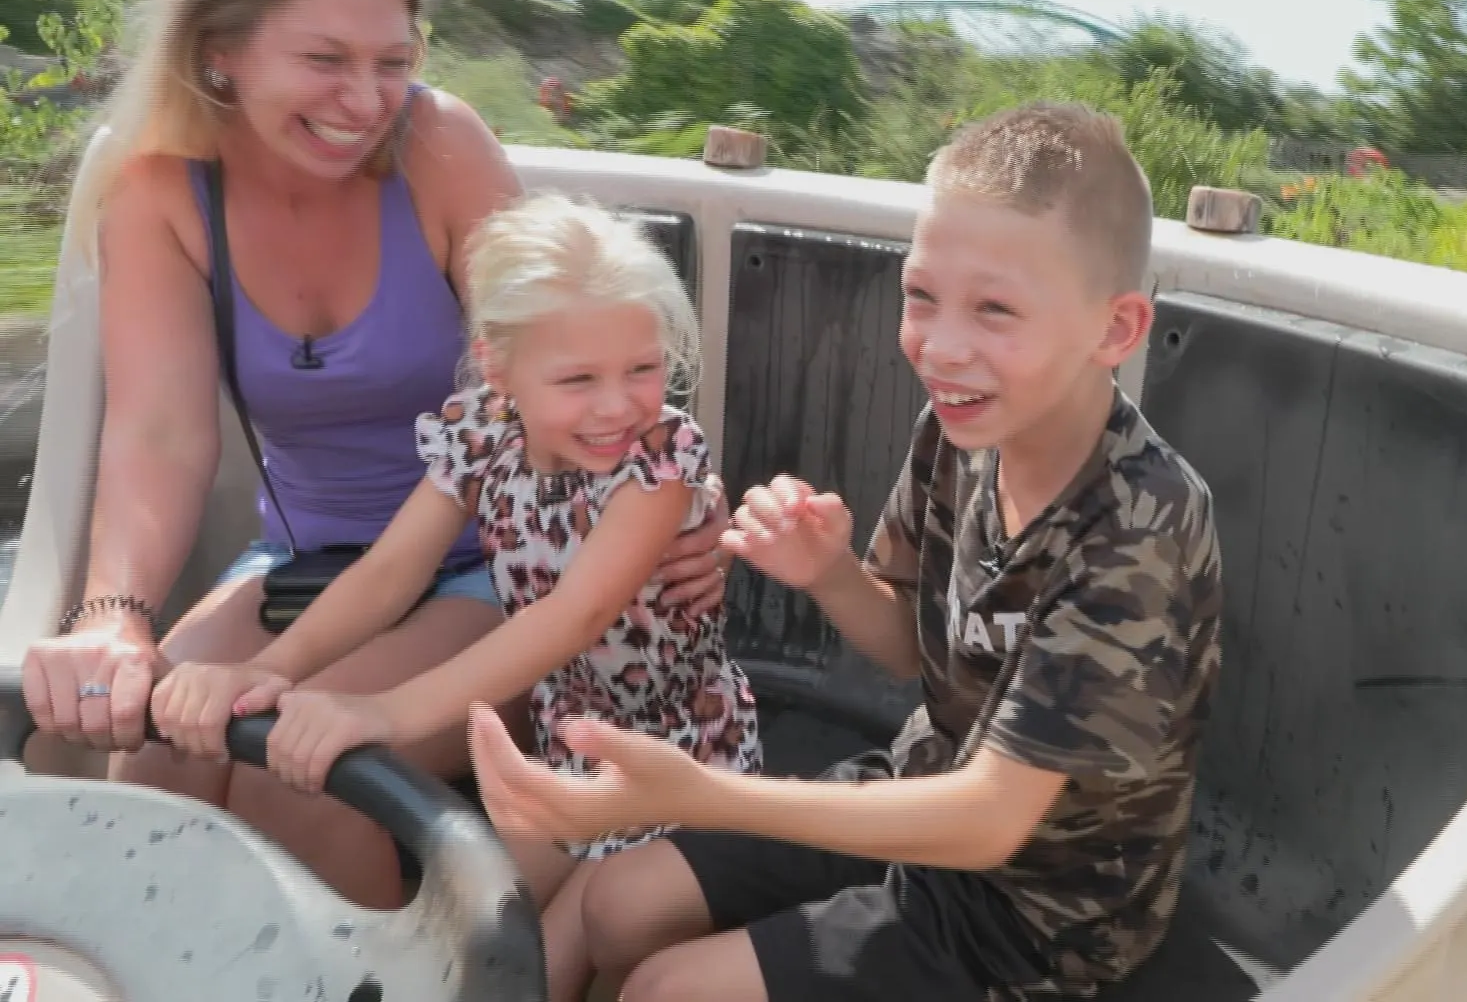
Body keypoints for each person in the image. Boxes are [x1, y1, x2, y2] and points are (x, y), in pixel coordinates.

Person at [16, 0, 731, 911]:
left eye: (392, 63)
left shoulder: (440, 148)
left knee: (299, 772)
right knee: (157, 751)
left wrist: (685, 505)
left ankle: (380, 970)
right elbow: (159, 436)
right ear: (219, 51)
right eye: (325, 61)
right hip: (309, 561)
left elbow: (572, 364)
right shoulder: (160, 195)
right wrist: (114, 618)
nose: (364, 102)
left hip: (496, 562)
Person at [465, 101, 1226, 1002]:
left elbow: (990, 822)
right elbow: (908, 648)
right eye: (921, 295)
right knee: (618, 905)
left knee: (668, 989)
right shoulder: (960, 433)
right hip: (917, 786)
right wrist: (827, 574)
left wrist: (694, 795)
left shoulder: (1141, 527)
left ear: (1116, 330)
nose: (941, 347)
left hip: (1039, 917)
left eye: (995, 310)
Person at [153, 190, 761, 998]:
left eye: (642, 369)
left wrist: (386, 712)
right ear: (499, 369)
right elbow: (390, 572)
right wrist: (270, 668)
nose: (618, 404)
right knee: (463, 946)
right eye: (578, 378)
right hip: (565, 747)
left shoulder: (660, 456)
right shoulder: (483, 432)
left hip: (674, 757)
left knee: (536, 967)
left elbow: (574, 614)